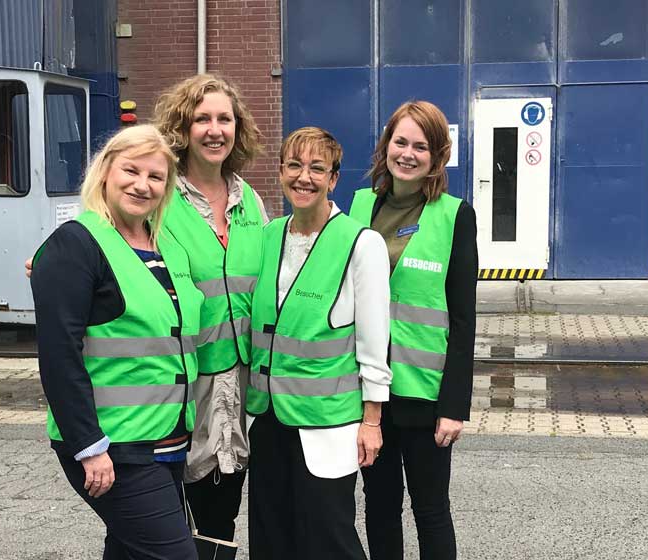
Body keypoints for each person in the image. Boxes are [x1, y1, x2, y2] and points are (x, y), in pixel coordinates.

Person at [30, 124, 202, 559]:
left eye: (156, 176)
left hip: (166, 438)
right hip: (114, 448)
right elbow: (59, 357)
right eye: (131, 170)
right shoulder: (77, 244)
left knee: (129, 551)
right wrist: (88, 447)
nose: (143, 185)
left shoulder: (168, 248)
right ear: (105, 171)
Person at [245, 127, 392, 559]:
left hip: (327, 424)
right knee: (271, 541)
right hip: (268, 418)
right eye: (294, 165)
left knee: (328, 541)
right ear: (280, 172)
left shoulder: (361, 243)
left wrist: (372, 420)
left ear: (333, 179)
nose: (303, 177)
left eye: (316, 168)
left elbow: (374, 340)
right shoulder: (268, 236)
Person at [349, 101, 478, 560]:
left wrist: (454, 406)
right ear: (386, 147)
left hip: (425, 395)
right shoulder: (359, 206)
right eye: (400, 142)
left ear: (437, 155)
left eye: (420, 146)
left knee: (430, 509)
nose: (407, 154)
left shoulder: (454, 215)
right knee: (379, 506)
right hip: (368, 392)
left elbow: (463, 319)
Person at [151, 73, 267, 541]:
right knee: (164, 520)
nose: (215, 130)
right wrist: (52, 259)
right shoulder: (159, 198)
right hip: (182, 384)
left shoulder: (250, 201)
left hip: (239, 385)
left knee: (221, 516)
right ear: (182, 127)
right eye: (202, 119)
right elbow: (101, 237)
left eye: (225, 119)